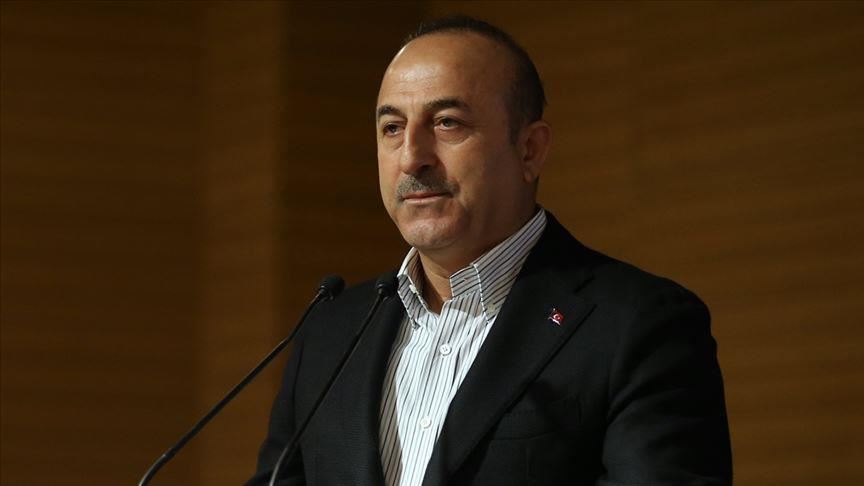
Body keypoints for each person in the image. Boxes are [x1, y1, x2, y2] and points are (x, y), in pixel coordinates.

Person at [250, 16, 732, 486]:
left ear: (530, 150)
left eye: (447, 123)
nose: (411, 157)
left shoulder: (639, 326)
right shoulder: (331, 334)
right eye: (392, 128)